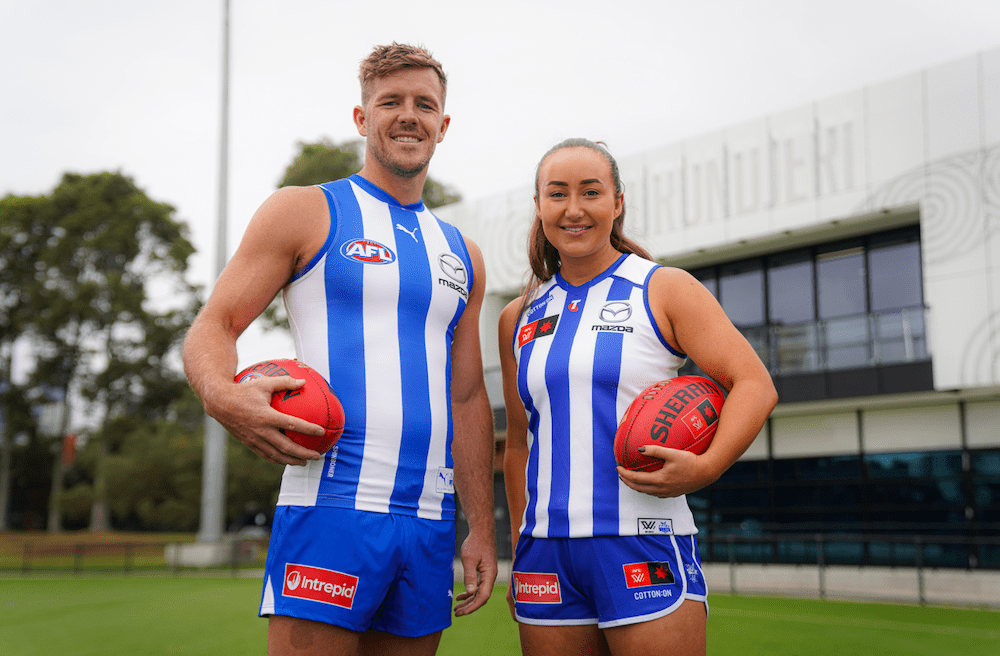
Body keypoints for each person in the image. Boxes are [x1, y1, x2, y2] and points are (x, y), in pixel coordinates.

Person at [183, 43, 497, 656]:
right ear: (362, 118)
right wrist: (224, 396)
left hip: (429, 517)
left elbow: (467, 395)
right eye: (391, 102)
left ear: (443, 125)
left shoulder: (463, 252)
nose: (409, 115)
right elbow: (214, 325)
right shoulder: (304, 211)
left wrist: (482, 527)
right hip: (330, 502)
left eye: (424, 104)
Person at [499, 138, 777, 656]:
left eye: (591, 192)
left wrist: (709, 466)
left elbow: (754, 384)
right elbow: (518, 446)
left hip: (641, 539)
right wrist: (519, 547)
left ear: (617, 203)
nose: (574, 209)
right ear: (539, 206)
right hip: (544, 553)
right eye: (557, 194)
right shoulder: (517, 316)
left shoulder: (663, 288)